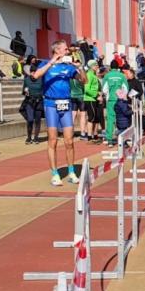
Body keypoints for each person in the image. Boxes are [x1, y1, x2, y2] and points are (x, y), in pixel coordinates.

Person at [32, 39, 86, 186]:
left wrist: (80, 68)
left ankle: (71, 172)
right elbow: (36, 76)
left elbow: (84, 81)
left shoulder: (68, 67)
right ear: (57, 50)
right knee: (53, 140)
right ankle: (55, 174)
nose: (68, 51)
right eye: (65, 49)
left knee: (69, 140)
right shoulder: (45, 64)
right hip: (51, 104)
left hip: (66, 104)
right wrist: (52, 62)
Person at [102, 60, 129, 145]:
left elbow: (104, 90)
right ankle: (122, 138)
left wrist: (108, 95)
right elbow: (126, 89)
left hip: (110, 100)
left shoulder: (107, 76)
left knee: (110, 119)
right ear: (118, 67)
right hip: (120, 100)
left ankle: (109, 139)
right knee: (121, 118)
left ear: (110, 67)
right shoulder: (122, 76)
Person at [21, 59, 44, 144]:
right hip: (29, 102)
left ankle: (36, 138)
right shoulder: (26, 80)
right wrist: (25, 92)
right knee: (30, 119)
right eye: (32, 72)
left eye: (35, 72)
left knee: (37, 120)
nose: (33, 74)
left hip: (39, 102)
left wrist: (42, 95)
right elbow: (23, 91)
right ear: (30, 72)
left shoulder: (41, 80)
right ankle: (29, 137)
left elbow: (43, 90)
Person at [83, 59, 102, 142]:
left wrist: (99, 94)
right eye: (95, 65)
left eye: (97, 64)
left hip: (94, 99)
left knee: (96, 117)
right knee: (91, 117)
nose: (97, 66)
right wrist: (96, 95)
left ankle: (95, 134)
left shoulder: (94, 75)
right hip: (90, 99)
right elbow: (86, 89)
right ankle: (89, 135)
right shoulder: (89, 75)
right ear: (91, 66)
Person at [70, 66, 87, 140]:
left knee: (73, 115)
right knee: (83, 115)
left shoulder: (70, 76)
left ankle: (70, 132)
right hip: (81, 96)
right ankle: (82, 133)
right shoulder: (80, 76)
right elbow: (84, 85)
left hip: (72, 95)